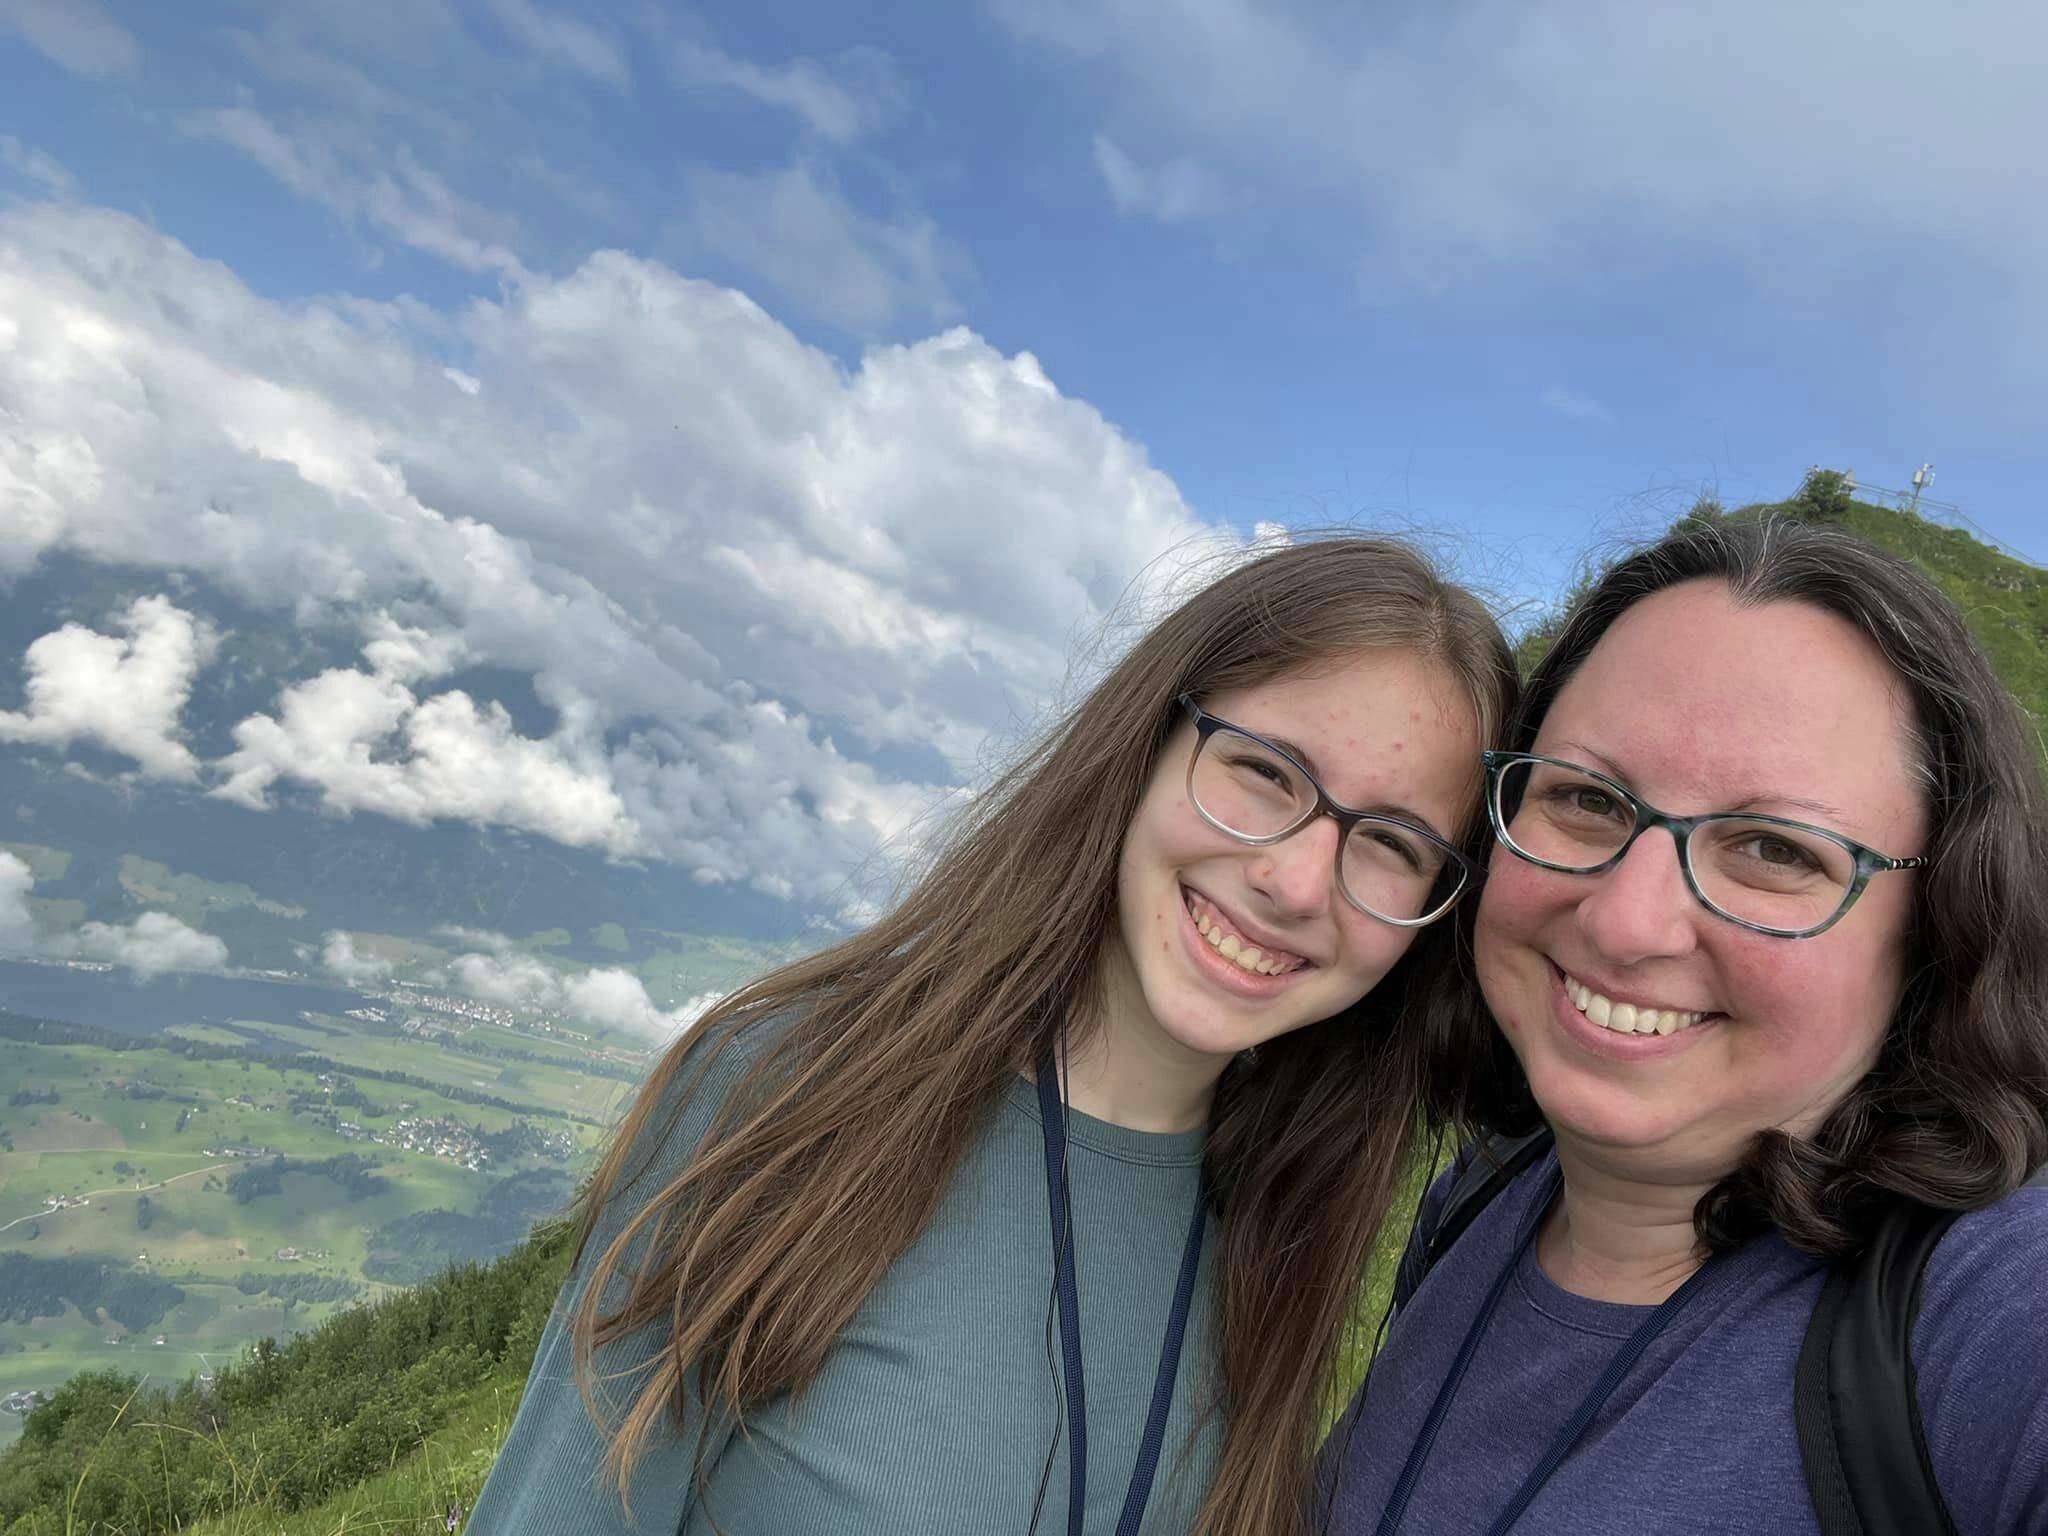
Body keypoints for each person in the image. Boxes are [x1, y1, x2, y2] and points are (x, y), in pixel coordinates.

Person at [468, 536, 1518, 1536]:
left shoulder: (1293, 1239)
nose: (1294, 881)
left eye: (1391, 843)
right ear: (1145, 745)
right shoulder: (782, 1093)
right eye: (1265, 771)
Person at [1323, 515, 2048, 1534]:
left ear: (1936, 926)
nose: (1626, 923)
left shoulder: (1994, 1314)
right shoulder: (1481, 1194)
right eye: (1585, 798)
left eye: (1774, 849)